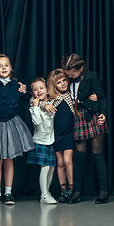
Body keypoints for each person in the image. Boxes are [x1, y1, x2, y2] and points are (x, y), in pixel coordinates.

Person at [0, 53, 35, 205]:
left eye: (6, 65)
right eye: (0, 66)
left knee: (8, 160)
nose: (3, 68)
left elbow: (29, 98)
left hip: (11, 124)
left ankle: (8, 193)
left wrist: (37, 97)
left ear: (11, 67)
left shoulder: (15, 85)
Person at [61, 53, 109, 204]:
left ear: (81, 68)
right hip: (78, 117)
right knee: (80, 156)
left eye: (73, 74)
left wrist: (103, 114)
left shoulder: (92, 77)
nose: (71, 77)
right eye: (69, 74)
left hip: (93, 115)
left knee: (97, 154)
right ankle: (76, 192)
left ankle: (104, 192)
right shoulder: (66, 77)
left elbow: (102, 98)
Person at [45, 69, 75, 204]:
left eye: (64, 80)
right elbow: (36, 100)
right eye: (59, 82)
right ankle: (63, 189)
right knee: (60, 162)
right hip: (56, 134)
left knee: (68, 160)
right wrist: (44, 104)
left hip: (69, 133)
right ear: (53, 85)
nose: (63, 84)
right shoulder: (52, 99)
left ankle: (72, 188)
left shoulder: (71, 95)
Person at [27, 78, 57, 204]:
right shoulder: (34, 106)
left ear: (47, 90)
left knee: (51, 168)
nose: (38, 91)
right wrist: (36, 107)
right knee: (44, 168)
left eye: (41, 88)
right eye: (35, 89)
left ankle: (47, 191)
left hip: (50, 140)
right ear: (32, 93)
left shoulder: (52, 102)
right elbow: (37, 122)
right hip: (40, 141)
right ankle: (43, 195)